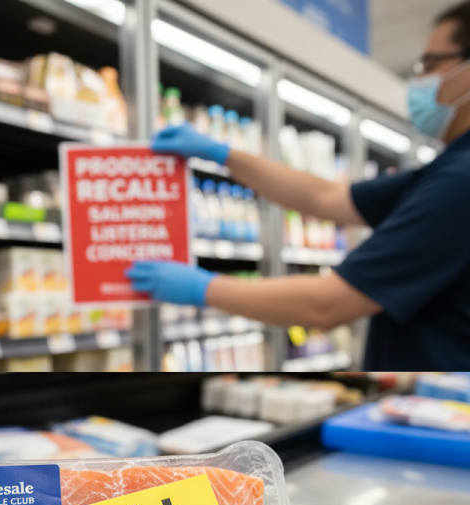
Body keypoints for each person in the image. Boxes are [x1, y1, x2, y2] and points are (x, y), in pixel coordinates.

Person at [126, 1, 470, 371]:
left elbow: (326, 305)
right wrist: (223, 154)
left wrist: (202, 288)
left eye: (430, 66)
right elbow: (329, 197)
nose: (418, 80)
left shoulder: (460, 181)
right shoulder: (449, 168)